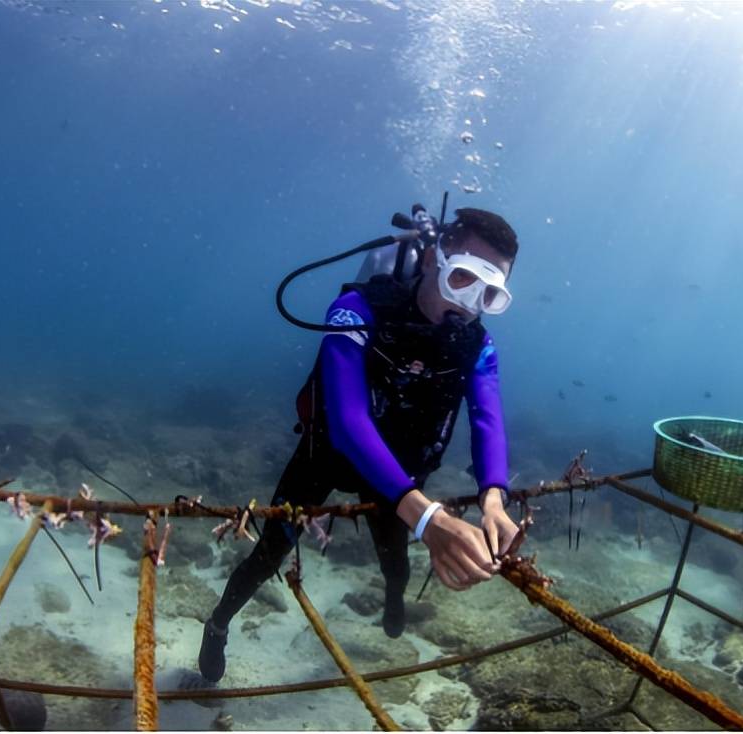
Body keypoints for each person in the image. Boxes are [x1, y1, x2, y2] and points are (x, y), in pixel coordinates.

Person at [196, 207, 521, 684]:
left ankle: (393, 601)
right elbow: (348, 421)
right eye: (463, 280)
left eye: (489, 294)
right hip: (326, 457)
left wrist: (495, 496)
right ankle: (218, 623)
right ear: (432, 259)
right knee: (267, 555)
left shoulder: (477, 345)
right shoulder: (358, 310)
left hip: (400, 474)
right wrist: (428, 518)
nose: (469, 305)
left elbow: (487, 417)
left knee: (397, 569)